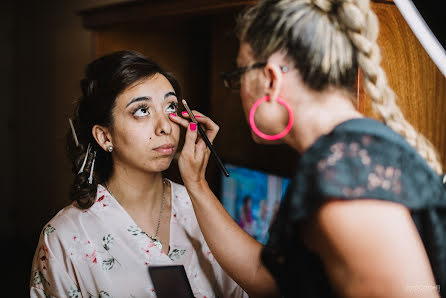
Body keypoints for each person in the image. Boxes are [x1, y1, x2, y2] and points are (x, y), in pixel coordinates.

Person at [169, 0, 445, 297]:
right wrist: (196, 183)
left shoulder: (344, 174)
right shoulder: (344, 157)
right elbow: (268, 279)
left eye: (238, 76)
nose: (238, 94)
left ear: (271, 80)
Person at [29, 50, 247, 298]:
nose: (165, 126)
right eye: (142, 110)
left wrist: (198, 184)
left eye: (171, 107)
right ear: (105, 136)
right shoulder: (64, 239)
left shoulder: (201, 207)